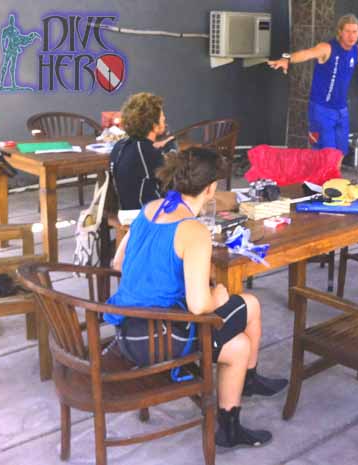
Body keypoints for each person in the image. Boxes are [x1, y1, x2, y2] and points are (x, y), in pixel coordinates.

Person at [106, 146, 287, 448]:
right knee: (243, 323)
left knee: (243, 329)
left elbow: (118, 264)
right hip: (158, 339)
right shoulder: (193, 230)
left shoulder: (150, 208)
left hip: (128, 329)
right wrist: (219, 292)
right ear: (211, 188)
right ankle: (237, 409)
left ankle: (239, 404)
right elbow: (199, 306)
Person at [267, 14, 358, 155]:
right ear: (340, 31)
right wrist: (287, 59)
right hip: (322, 109)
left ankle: (334, 176)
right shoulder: (327, 48)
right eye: (347, 31)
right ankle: (322, 177)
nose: (351, 36)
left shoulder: (356, 50)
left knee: (341, 152)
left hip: (341, 110)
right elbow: (307, 54)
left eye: (355, 32)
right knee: (326, 153)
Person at [109, 92, 174, 211]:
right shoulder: (146, 152)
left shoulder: (120, 145)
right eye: (161, 116)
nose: (164, 118)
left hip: (125, 209)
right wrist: (171, 151)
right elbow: (173, 181)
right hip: (145, 215)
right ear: (153, 125)